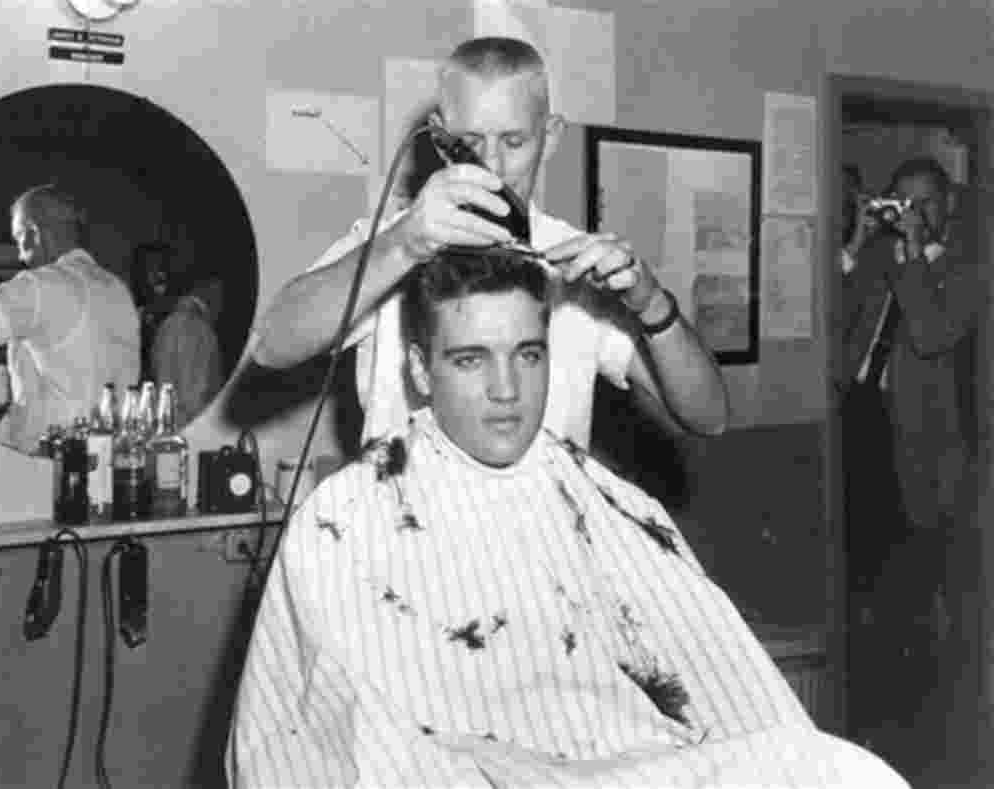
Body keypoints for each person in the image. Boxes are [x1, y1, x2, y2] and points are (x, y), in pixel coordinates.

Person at [228, 247, 907, 788]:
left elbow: (722, 694)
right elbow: (301, 745)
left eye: (528, 354)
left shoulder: (607, 502)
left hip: (625, 760)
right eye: (470, 359)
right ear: (419, 369)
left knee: (844, 771)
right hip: (454, 768)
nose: (506, 389)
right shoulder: (347, 516)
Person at [250, 36, 727, 449]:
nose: (493, 167)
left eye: (514, 142)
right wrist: (403, 246)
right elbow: (272, 346)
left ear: (551, 136)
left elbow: (709, 417)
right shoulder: (390, 243)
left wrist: (650, 304)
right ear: (440, 141)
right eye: (471, 142)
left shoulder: (577, 261)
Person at [838, 157, 979, 735]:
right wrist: (855, 242)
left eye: (925, 202)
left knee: (921, 564)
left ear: (947, 205)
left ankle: (927, 697)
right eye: (902, 202)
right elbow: (837, 311)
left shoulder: (966, 271)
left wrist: (917, 258)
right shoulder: (881, 256)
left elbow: (930, 332)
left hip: (922, 437)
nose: (913, 214)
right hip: (864, 414)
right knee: (865, 554)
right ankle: (875, 681)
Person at [0, 184, 140, 452]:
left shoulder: (40, 284)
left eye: (18, 239)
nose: (18, 254)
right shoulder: (118, 290)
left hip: (46, 465)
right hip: (112, 458)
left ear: (33, 232)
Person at [151, 277, 225, 427]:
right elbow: (196, 391)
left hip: (163, 419)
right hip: (190, 423)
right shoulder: (201, 330)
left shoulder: (166, 325)